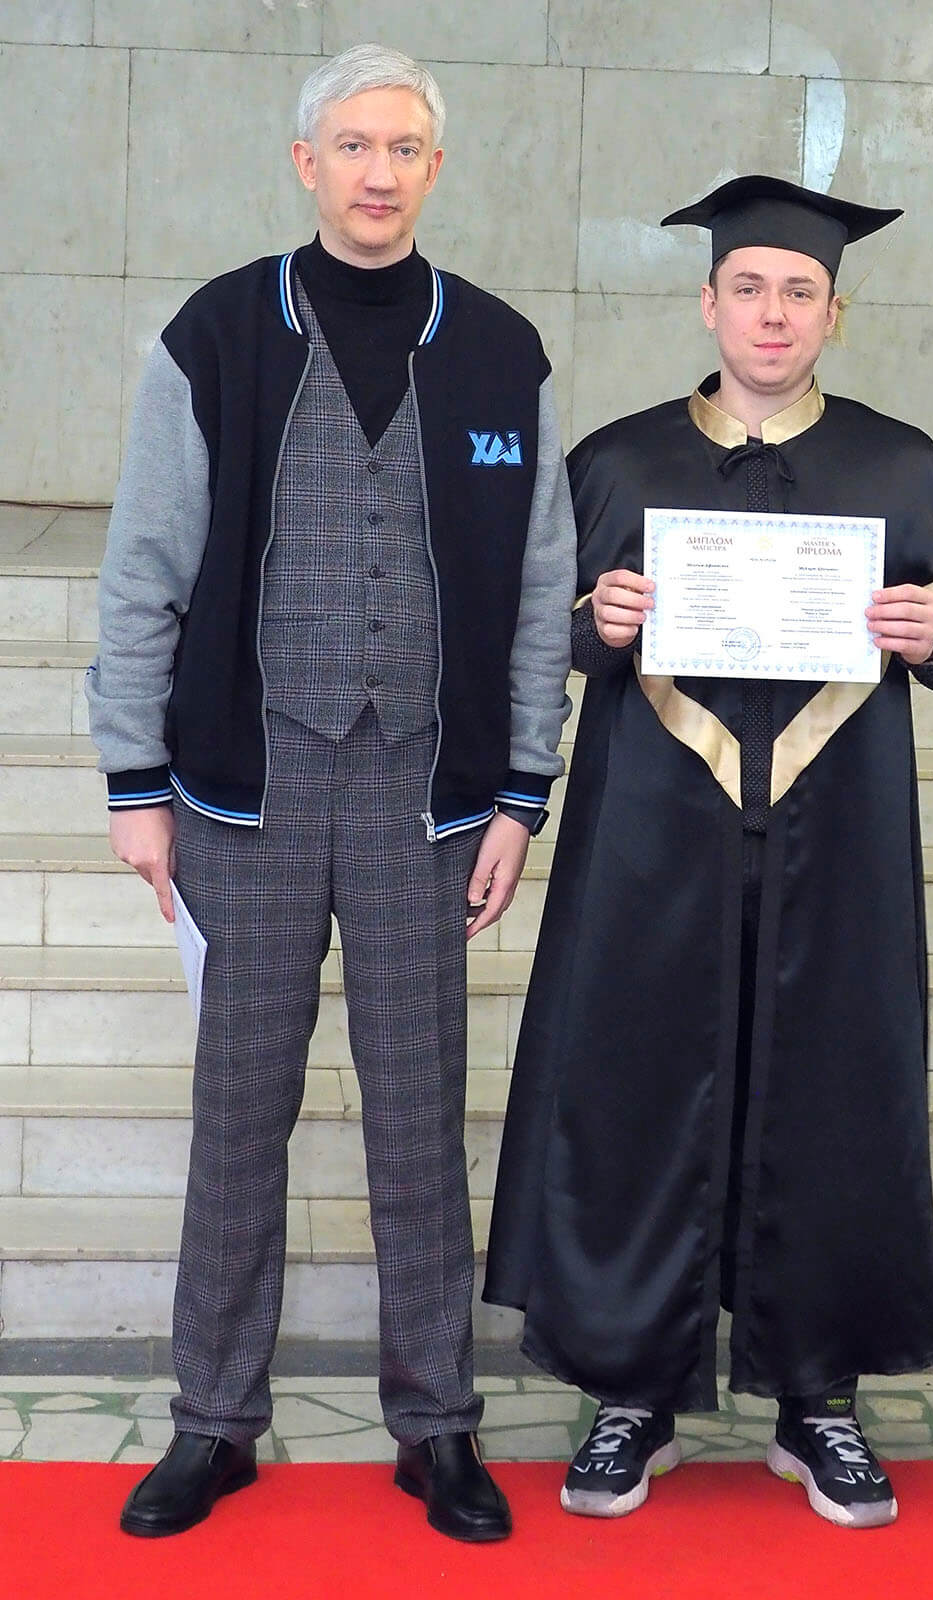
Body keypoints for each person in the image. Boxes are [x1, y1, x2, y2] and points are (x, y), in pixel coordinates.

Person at [86, 44, 574, 1542]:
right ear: (307, 163)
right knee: (239, 1117)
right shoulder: (215, 336)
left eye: (404, 147)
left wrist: (520, 793)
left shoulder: (500, 352)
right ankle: (213, 1421)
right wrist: (135, 780)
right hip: (246, 790)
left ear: (436, 168)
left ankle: (437, 1426)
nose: (378, 171)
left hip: (428, 794)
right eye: (353, 144)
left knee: (420, 1120)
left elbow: (542, 586)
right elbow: (143, 568)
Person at [483, 175, 933, 1529]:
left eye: (801, 291)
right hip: (651, 842)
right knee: (634, 1087)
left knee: (834, 1097)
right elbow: (540, 640)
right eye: (750, 288)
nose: (774, 313)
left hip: (841, 842)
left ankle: (815, 1397)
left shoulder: (898, 464)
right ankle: (631, 1390)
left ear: (836, 312)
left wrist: (931, 638)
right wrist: (598, 624)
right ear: (708, 302)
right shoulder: (620, 462)